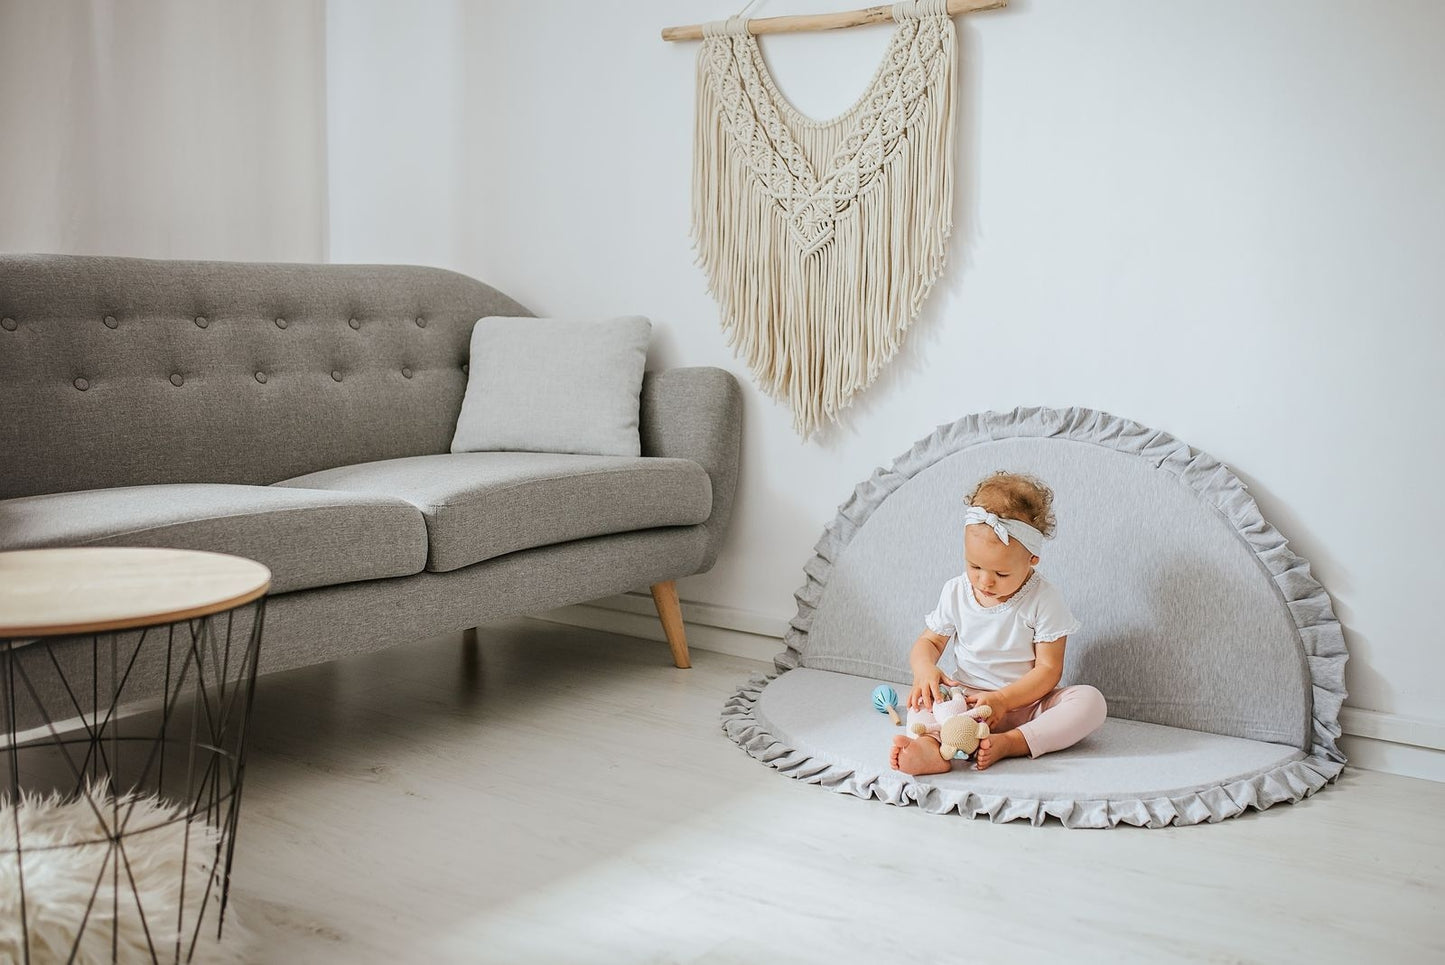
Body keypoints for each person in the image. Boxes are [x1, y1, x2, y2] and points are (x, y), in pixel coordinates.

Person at [889, 471, 1107, 775]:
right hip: (963, 702)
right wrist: (924, 669)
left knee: (1090, 702)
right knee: (922, 700)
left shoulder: (1044, 599)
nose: (985, 580)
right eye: (974, 565)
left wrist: (1004, 700)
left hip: (1026, 706)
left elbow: (1049, 669)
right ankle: (932, 749)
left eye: (1001, 574)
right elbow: (929, 641)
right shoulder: (955, 591)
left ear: (1032, 559)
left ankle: (1011, 743)